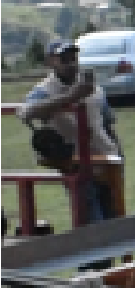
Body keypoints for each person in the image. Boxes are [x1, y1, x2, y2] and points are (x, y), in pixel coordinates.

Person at [19, 40, 123, 224]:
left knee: (115, 223)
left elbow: (107, 124)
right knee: (93, 225)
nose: (71, 63)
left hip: (108, 162)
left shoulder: (94, 89)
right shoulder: (44, 91)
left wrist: (119, 156)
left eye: (73, 58)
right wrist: (71, 97)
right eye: (64, 59)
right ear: (51, 62)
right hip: (76, 166)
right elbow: (26, 112)